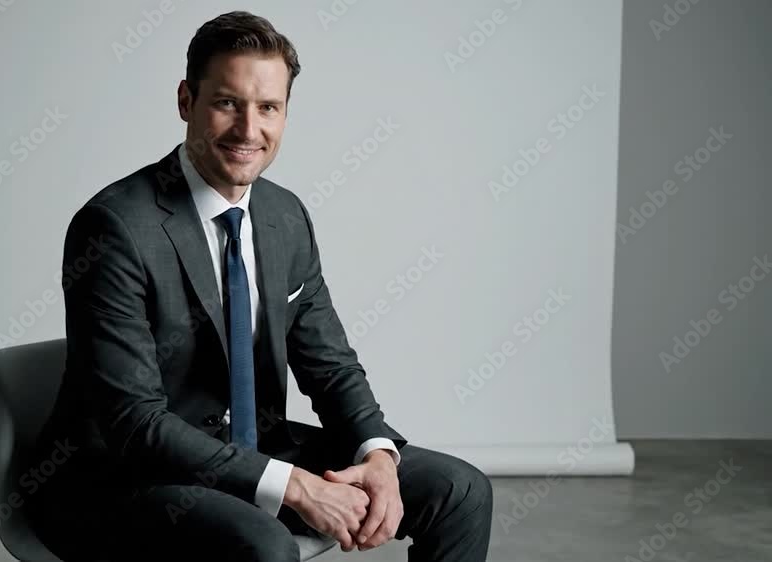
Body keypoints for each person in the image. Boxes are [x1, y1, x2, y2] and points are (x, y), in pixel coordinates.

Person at [30, 10, 493, 562]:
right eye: (228, 103)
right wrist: (294, 486)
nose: (249, 131)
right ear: (186, 101)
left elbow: (330, 366)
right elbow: (135, 423)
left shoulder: (284, 216)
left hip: (254, 452)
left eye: (268, 107)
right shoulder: (114, 228)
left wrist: (376, 455)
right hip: (123, 478)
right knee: (264, 545)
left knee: (460, 492)